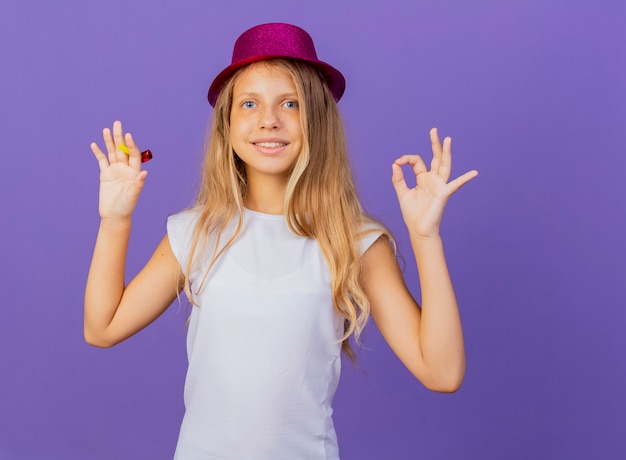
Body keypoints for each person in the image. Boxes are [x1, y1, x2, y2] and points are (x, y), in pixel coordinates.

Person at [85, 22, 478, 460]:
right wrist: (114, 220)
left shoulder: (355, 241)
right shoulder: (195, 232)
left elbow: (442, 373)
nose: (268, 119)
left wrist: (425, 236)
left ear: (316, 119)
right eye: (249, 103)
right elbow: (102, 328)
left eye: (289, 103)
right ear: (228, 125)